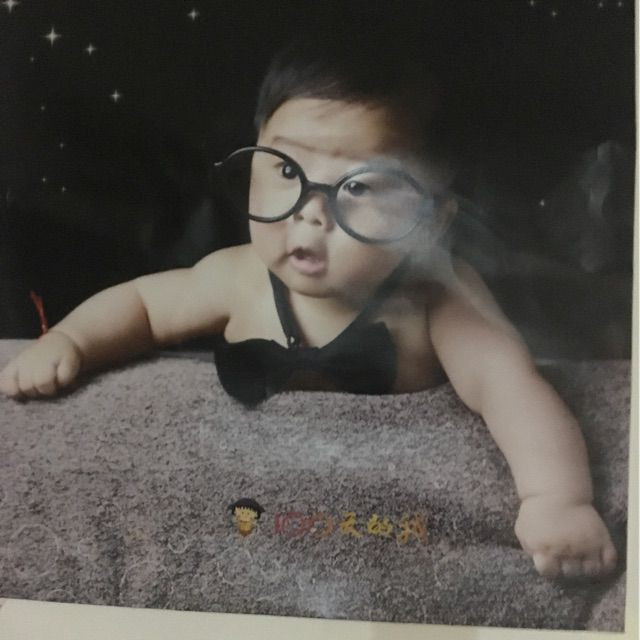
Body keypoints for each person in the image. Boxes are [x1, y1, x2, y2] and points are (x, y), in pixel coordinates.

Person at [0, 27, 617, 580]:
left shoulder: (436, 298)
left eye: (361, 185)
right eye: (287, 172)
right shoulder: (237, 277)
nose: (311, 213)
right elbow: (141, 305)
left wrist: (557, 500)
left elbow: (514, 392)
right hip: (253, 499)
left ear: (432, 219)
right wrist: (72, 341)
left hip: (375, 514)